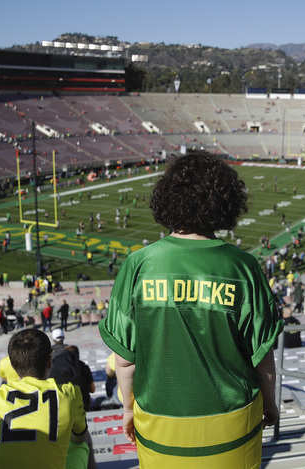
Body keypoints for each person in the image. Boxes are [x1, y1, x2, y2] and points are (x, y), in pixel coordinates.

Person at [100, 152, 283, 468]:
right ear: (226, 202)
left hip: (160, 424)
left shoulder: (138, 265)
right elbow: (262, 357)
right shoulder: (243, 267)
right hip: (233, 423)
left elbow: (125, 360)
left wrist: (128, 409)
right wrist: (270, 403)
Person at [0, 329, 89, 469]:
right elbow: (80, 435)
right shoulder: (69, 393)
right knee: (82, 444)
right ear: (49, 361)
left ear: (12, 364)